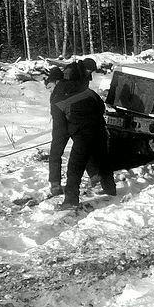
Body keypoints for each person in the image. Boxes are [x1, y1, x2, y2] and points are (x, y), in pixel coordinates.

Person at [53, 64, 116, 209]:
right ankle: (110, 189)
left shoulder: (58, 98)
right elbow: (101, 107)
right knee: (103, 160)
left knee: (75, 167)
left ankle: (70, 200)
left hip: (82, 135)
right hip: (100, 131)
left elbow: (60, 130)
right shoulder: (88, 92)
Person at [45, 67, 69, 196]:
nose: (50, 90)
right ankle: (95, 175)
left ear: (56, 81)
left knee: (54, 155)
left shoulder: (58, 92)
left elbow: (56, 113)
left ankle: (55, 184)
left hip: (61, 127)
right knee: (83, 150)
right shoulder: (72, 87)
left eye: (50, 86)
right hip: (75, 124)